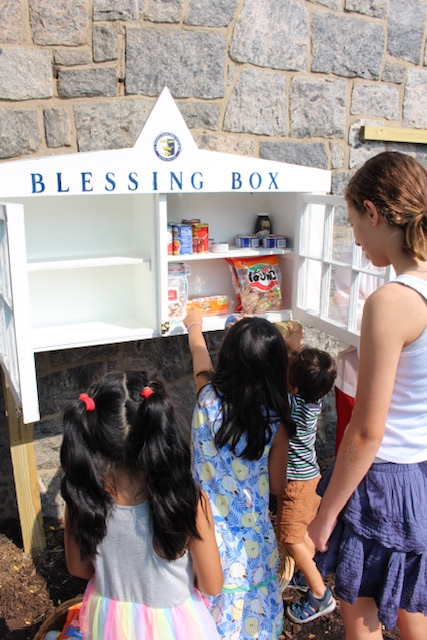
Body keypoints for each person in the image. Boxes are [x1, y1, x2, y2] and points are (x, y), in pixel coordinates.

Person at [308, 151, 427, 640]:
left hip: (381, 483)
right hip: (421, 472)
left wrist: (325, 515)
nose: (354, 237)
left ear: (374, 212)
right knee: (412, 601)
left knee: (361, 615)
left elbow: (367, 429)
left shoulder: (391, 301)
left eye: (355, 222)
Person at [60, 370, 223, 640]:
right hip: (175, 627)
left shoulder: (84, 498)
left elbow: (80, 569)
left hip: (109, 624)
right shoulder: (186, 500)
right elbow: (212, 584)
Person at [184, 310, 296, 640]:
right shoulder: (276, 419)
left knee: (207, 611)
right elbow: (277, 485)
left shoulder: (206, 395)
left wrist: (194, 324)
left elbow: (198, 353)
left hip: (203, 534)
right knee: (252, 613)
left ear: (228, 358)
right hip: (251, 542)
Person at [276, 347, 337, 623]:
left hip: (297, 484)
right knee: (302, 534)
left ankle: (320, 594)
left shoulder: (292, 406)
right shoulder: (312, 402)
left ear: (296, 386)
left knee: (290, 536)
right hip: (310, 476)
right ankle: (304, 573)